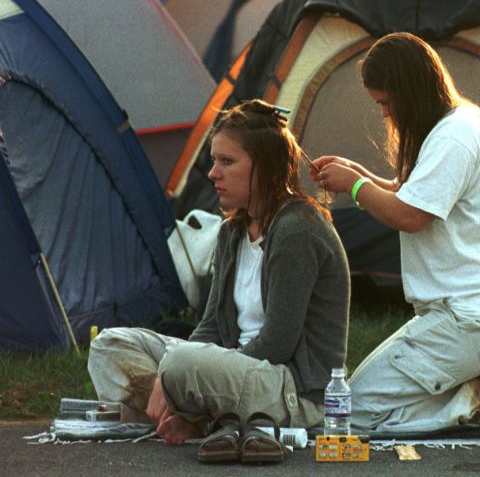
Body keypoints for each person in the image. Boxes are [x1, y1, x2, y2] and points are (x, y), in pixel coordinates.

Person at [88, 99, 350, 460]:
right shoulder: (232, 232)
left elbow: (278, 343)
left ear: (267, 168)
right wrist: (182, 373)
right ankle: (202, 419)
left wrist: (176, 374)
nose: (213, 173)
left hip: (287, 388)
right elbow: (210, 326)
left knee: (180, 364)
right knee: (109, 347)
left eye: (227, 162)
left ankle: (196, 418)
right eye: (214, 161)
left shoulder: (296, 230)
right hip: (231, 371)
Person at [311, 32, 480, 433]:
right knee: (365, 402)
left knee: (354, 414)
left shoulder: (454, 135)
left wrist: (355, 187)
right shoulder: (460, 121)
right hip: (479, 316)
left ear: (409, 92)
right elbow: (412, 193)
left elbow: (413, 215)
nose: (385, 115)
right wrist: (357, 173)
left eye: (385, 103)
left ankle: (477, 393)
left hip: (474, 319)